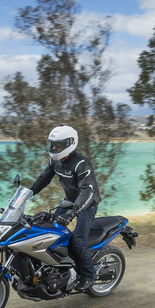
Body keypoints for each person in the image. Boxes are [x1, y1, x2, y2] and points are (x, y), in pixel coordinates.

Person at [29, 125, 101, 292]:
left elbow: (87, 191)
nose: (54, 148)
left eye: (58, 145)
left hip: (87, 204)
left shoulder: (82, 164)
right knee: (49, 230)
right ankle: (60, 265)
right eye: (52, 144)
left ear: (70, 143)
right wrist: (27, 193)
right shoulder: (55, 161)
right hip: (69, 201)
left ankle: (88, 276)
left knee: (78, 240)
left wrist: (72, 213)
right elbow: (43, 179)